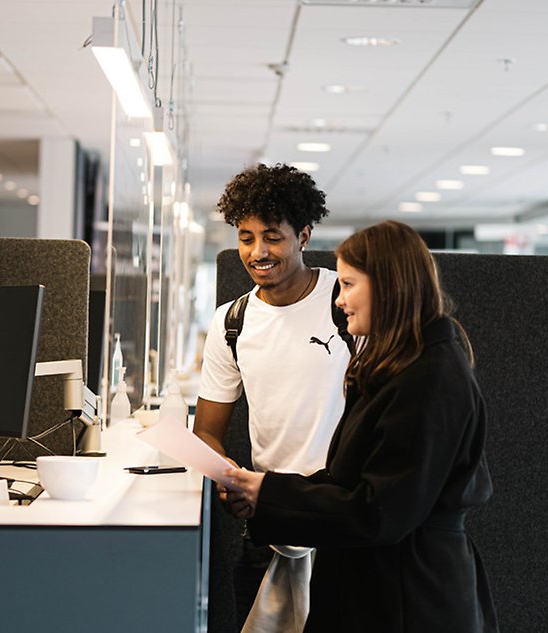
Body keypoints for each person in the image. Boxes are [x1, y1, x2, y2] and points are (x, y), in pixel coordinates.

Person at [225, 220, 498, 632]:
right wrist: (266, 496)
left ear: (389, 287)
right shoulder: (399, 365)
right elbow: (351, 483)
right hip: (379, 587)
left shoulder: (430, 377)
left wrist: (273, 493)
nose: (339, 300)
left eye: (349, 284)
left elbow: (378, 511)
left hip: (409, 599)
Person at [194, 163, 351, 633]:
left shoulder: (343, 301)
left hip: (344, 524)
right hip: (269, 524)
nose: (257, 252)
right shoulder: (230, 323)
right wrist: (228, 482)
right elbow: (206, 431)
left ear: (303, 234)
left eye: (272, 236)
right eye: (246, 237)